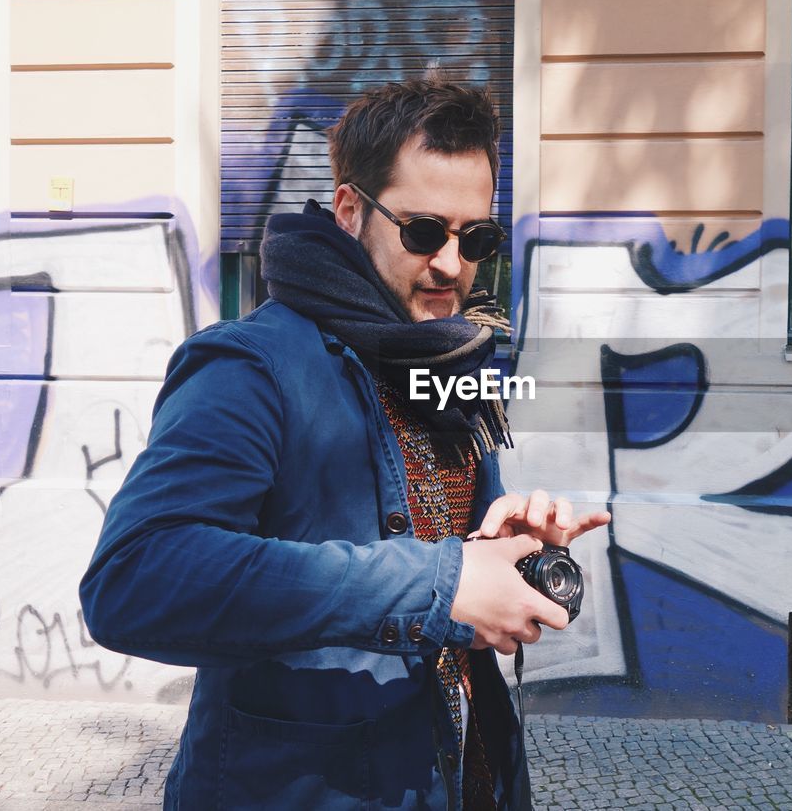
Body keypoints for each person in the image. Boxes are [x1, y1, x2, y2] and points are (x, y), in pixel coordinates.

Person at [80, 77, 608, 810]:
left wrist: (502, 550)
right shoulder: (250, 366)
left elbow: (450, 566)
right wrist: (442, 579)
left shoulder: (446, 362)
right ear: (350, 209)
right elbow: (132, 579)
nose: (453, 265)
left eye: (476, 238)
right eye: (423, 231)